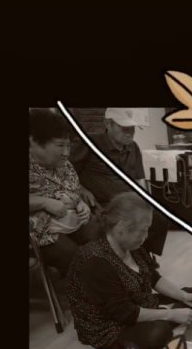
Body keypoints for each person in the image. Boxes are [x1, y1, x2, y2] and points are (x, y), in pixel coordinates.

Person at [66, 192, 192, 349]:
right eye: (142, 231)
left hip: (136, 302)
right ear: (121, 228)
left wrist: (183, 296)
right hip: (111, 325)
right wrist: (171, 314)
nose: (146, 237)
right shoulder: (95, 260)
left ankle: (163, 317)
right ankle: (162, 319)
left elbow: (153, 277)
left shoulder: (131, 245)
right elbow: (125, 313)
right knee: (158, 333)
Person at [69, 107, 169, 256]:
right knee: (124, 225)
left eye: (132, 128)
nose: (130, 132)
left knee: (161, 219)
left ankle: (143, 256)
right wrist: (81, 189)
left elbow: (139, 180)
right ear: (108, 123)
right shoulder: (89, 143)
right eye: (124, 128)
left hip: (129, 203)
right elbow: (66, 171)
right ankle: (130, 257)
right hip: (103, 205)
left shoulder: (133, 147)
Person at [28, 108, 100, 276]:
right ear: (34, 143)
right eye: (60, 145)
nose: (66, 153)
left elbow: (73, 190)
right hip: (41, 233)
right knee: (74, 257)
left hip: (71, 223)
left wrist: (80, 203)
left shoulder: (64, 165)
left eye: (68, 145)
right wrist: (44, 202)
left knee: (102, 241)